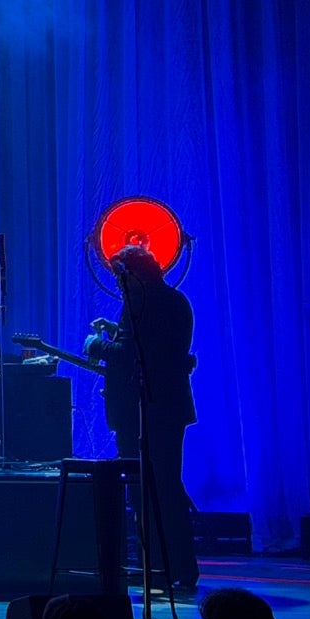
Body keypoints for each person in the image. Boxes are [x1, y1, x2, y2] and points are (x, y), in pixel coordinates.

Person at [85, 244, 199, 591]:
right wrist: (116, 330)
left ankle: (156, 566)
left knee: (144, 491)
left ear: (128, 273)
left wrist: (96, 344)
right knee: (167, 486)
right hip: (172, 407)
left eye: (119, 276)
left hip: (140, 410)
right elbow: (157, 348)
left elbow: (130, 354)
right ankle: (180, 565)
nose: (118, 284)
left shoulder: (138, 302)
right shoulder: (177, 301)